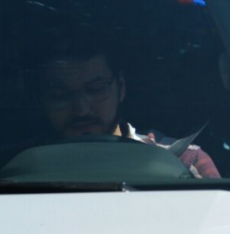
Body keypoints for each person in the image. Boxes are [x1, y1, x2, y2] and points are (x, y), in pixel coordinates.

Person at [32, 37, 220, 179]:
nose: (81, 109)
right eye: (60, 96)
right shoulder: (19, 169)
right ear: (41, 100)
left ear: (121, 87)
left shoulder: (185, 161)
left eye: (95, 90)